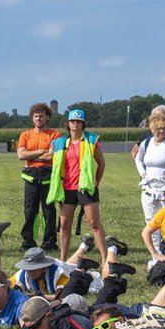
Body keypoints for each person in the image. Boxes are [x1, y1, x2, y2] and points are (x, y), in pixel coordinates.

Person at [53, 105, 108, 256]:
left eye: (78, 121)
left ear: (83, 124)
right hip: (67, 187)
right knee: (64, 225)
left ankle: (104, 258)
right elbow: (52, 159)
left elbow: (101, 163)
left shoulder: (91, 140)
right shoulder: (60, 143)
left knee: (94, 223)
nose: (75, 124)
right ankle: (63, 259)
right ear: (68, 123)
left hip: (86, 187)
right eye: (72, 121)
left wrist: (95, 182)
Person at [14, 103, 60, 252]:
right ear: (32, 119)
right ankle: (28, 241)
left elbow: (52, 155)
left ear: (47, 117)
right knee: (30, 210)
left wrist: (32, 154)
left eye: (41, 116)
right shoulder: (25, 135)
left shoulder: (55, 135)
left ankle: (49, 241)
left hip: (48, 174)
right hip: (31, 176)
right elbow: (21, 155)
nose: (39, 119)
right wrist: (41, 151)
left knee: (49, 210)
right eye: (36, 116)